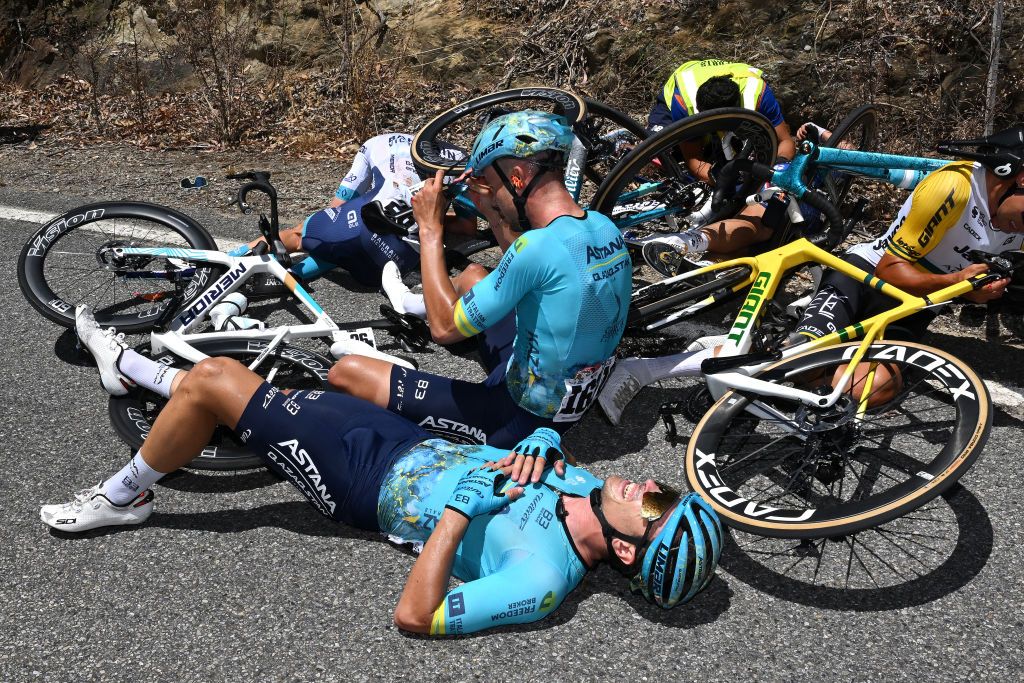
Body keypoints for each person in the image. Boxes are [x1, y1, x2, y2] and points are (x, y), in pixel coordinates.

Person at [40, 310, 723, 636]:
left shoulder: (542, 581)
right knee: (341, 371)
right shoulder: (588, 494)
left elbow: (415, 615)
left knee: (218, 383)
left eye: (657, 503)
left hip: (365, 482)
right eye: (666, 486)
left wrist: (457, 511)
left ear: (629, 549)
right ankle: (135, 369)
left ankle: (120, 494)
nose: (648, 484)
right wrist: (545, 438)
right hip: (411, 441)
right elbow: (541, 450)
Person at [598, 124, 1024, 425]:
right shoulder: (952, 189)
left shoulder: (1013, 214)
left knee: (872, 393)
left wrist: (975, 294)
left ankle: (752, 349)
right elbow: (894, 269)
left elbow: (963, 283)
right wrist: (956, 284)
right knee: (791, 366)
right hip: (866, 278)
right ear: (1012, 179)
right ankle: (644, 368)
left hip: (911, 308)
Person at [327, 111, 633, 448]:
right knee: (473, 276)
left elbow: (443, 329)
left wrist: (430, 227)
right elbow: (526, 260)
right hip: (565, 395)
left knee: (347, 372)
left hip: (517, 419)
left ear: (517, 179)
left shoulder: (535, 248)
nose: (492, 189)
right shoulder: (603, 226)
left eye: (492, 180)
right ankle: (416, 307)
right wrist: (488, 205)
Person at [229, 132, 476, 288]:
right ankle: (293, 277)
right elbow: (467, 228)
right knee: (346, 242)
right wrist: (429, 217)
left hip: (347, 230)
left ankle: (230, 261)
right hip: (392, 265)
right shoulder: (463, 162)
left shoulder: (380, 143)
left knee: (306, 234)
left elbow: (338, 204)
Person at [641, 59, 797, 276]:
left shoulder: (758, 95)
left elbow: (786, 141)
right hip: (677, 99)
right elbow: (693, 158)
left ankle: (695, 244)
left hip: (739, 100)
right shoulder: (684, 102)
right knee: (664, 156)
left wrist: (773, 173)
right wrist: (717, 177)